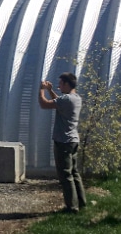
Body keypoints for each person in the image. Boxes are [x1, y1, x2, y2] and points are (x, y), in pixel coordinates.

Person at [38, 72, 87, 213]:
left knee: (65, 175)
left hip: (63, 142)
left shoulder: (66, 99)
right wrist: (50, 90)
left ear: (66, 84)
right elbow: (59, 101)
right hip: (73, 140)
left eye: (60, 84)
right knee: (74, 173)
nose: (58, 86)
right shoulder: (76, 98)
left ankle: (71, 207)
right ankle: (81, 202)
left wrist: (41, 89)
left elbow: (44, 104)